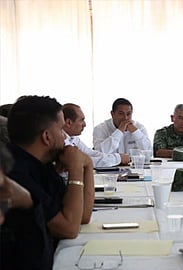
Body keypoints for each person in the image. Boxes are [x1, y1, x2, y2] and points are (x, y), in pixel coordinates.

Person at [2, 95, 94, 269]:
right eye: (61, 130)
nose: (64, 138)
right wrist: (75, 168)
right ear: (46, 136)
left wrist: (87, 165)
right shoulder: (15, 173)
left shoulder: (41, 164)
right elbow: (69, 228)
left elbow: (82, 216)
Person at [63, 103, 130, 167]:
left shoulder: (74, 138)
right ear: (69, 123)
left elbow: (91, 153)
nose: (84, 124)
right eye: (81, 120)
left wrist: (118, 158)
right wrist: (118, 158)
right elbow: (86, 161)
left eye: (129, 114)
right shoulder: (61, 140)